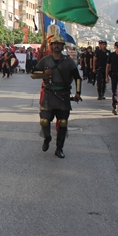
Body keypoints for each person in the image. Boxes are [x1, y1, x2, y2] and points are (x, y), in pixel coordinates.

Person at [30, 25, 82, 159]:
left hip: (63, 95)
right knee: (44, 121)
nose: (57, 46)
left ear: (62, 45)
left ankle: (59, 148)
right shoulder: (45, 60)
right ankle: (47, 138)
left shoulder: (68, 61)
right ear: (51, 46)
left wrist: (78, 93)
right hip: (49, 94)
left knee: (63, 122)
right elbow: (33, 74)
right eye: (55, 44)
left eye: (59, 44)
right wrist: (44, 73)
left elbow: (77, 78)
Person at [106, 41, 118, 115]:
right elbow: (108, 66)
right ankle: (115, 106)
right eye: (117, 47)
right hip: (114, 74)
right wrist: (106, 76)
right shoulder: (111, 55)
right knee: (115, 91)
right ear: (114, 47)